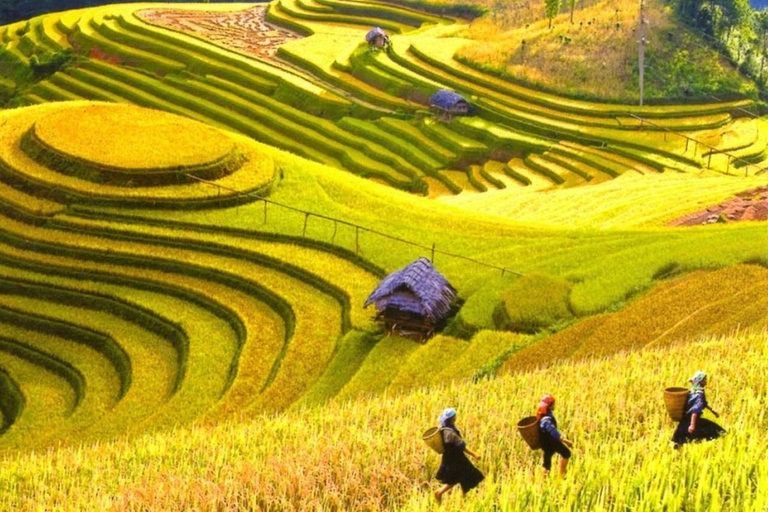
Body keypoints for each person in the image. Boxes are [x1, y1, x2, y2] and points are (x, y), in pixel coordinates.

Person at [433, 407, 484, 504]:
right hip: (456, 459)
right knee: (463, 476)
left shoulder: (443, 428)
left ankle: (464, 499)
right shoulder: (451, 433)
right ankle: (440, 492)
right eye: (454, 416)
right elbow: (462, 446)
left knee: (460, 477)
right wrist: (474, 455)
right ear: (452, 418)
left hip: (450, 458)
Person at [672, 371, 725, 449]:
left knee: (680, 440)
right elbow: (695, 410)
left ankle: (679, 450)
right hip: (693, 421)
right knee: (716, 432)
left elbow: (703, 404)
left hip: (684, 421)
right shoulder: (699, 394)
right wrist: (692, 425)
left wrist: (712, 411)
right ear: (701, 381)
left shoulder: (693, 392)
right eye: (705, 379)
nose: (706, 381)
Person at [536, 394, 573, 477]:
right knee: (566, 453)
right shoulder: (546, 420)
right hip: (551, 441)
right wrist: (564, 440)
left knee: (547, 460)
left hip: (546, 443)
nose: (554, 406)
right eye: (553, 404)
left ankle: (544, 478)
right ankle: (561, 476)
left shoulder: (545, 415)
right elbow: (553, 431)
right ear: (549, 406)